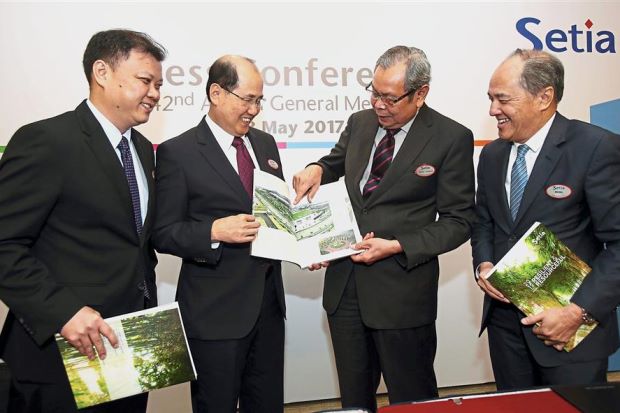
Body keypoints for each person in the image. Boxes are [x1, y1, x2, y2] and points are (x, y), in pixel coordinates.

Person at [293, 46, 475, 411]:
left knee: (412, 399)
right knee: (354, 400)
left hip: (402, 295)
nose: (379, 105)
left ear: (420, 93)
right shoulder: (360, 123)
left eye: (390, 98)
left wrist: (396, 245)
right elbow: (335, 163)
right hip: (345, 291)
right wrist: (317, 168)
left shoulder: (450, 137)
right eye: (374, 92)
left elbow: (459, 221)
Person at [0, 29, 165, 412]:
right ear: (102, 72)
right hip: (60, 356)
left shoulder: (142, 149)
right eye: (145, 80)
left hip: (127, 352)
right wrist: (62, 311)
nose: (155, 93)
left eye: (158, 84)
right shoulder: (47, 140)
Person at [472, 48, 620, 390]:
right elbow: (484, 223)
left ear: (544, 97)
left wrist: (577, 313)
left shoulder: (595, 148)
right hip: (506, 331)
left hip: (569, 331)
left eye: (502, 99)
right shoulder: (492, 155)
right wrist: (484, 264)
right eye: (491, 99)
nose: (493, 110)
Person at [152, 55, 286, 413]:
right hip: (214, 315)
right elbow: (163, 233)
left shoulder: (266, 144)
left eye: (259, 100)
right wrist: (213, 231)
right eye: (248, 99)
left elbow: (274, 216)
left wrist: (304, 246)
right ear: (216, 93)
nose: (254, 110)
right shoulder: (178, 152)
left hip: (268, 310)